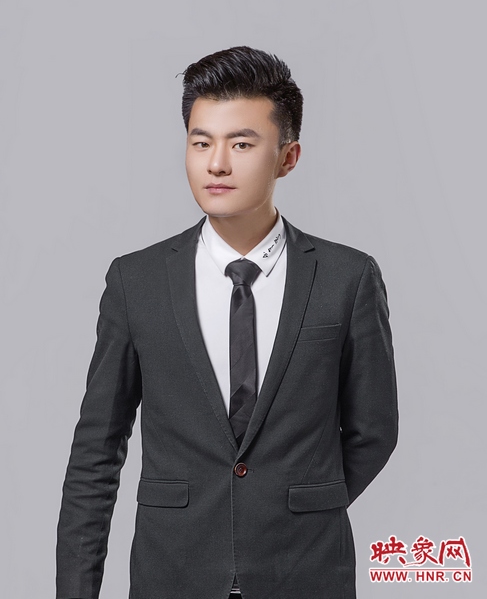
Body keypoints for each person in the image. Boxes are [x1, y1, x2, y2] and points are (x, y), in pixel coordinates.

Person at [56, 46, 398, 599]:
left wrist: (298, 503)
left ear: (288, 157)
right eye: (201, 142)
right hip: (172, 573)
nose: (216, 164)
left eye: (241, 144)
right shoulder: (135, 281)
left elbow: (374, 430)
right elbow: (96, 451)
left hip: (306, 572)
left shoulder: (347, 277)